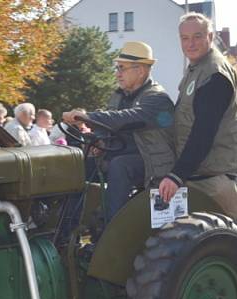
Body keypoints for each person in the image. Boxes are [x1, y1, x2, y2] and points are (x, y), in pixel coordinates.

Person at [62, 41, 176, 220]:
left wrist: (87, 117)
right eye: (117, 68)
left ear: (140, 70)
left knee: (120, 166)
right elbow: (111, 125)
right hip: (120, 154)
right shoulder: (120, 96)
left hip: (154, 162)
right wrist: (98, 139)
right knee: (76, 165)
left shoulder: (156, 98)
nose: (117, 74)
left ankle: (110, 230)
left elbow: (127, 118)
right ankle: (66, 228)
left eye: (122, 68)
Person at [157, 12, 237, 221]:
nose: (191, 43)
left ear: (210, 37)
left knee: (226, 246)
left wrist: (176, 175)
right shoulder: (196, 69)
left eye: (197, 36)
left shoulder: (214, 72)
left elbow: (204, 130)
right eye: (185, 38)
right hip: (199, 174)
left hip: (214, 179)